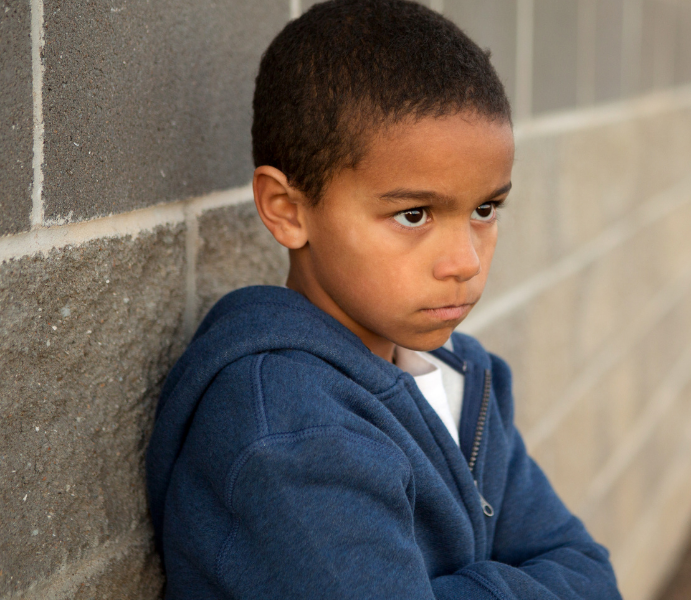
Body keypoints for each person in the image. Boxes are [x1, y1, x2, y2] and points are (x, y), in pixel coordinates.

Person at [145, 0, 622, 598]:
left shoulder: (459, 374)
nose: (465, 263)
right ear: (287, 210)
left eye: (485, 210)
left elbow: (590, 571)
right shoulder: (286, 427)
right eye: (413, 214)